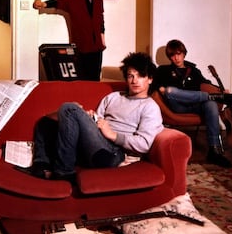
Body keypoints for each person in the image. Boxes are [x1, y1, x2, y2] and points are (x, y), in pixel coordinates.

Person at [28, 52, 164, 182]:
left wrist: (113, 135)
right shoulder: (113, 97)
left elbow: (144, 144)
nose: (134, 80)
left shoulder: (150, 107)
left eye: (140, 76)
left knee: (69, 108)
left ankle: (64, 173)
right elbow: (97, 121)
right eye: (130, 76)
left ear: (150, 79)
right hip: (94, 143)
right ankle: (41, 165)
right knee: (45, 122)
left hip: (113, 153)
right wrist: (88, 117)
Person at [153, 39, 232, 168]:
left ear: (184, 54)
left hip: (195, 105)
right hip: (177, 107)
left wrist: (221, 90)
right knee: (169, 90)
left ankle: (214, 151)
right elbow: (153, 84)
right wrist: (160, 88)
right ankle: (212, 96)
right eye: (173, 55)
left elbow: (205, 83)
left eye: (179, 54)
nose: (176, 58)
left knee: (211, 104)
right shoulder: (163, 70)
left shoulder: (193, 70)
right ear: (169, 57)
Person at [33, 0, 106, 81]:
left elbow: (100, 19)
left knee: (95, 79)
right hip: (82, 47)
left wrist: (102, 38)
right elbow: (59, 1)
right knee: (82, 79)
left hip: (97, 47)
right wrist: (43, 4)